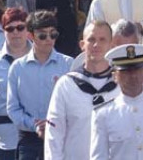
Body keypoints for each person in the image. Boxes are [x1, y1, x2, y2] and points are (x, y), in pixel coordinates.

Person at [44, 21, 119, 159]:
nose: (96, 45)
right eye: (91, 39)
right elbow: (54, 135)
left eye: (102, 40)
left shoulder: (121, 85)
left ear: (111, 44)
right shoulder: (66, 85)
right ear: (82, 45)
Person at [6, 11, 74, 160]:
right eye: (42, 35)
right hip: (29, 139)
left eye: (53, 34)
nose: (49, 39)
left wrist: (55, 125)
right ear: (30, 36)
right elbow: (13, 108)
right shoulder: (17, 68)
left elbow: (76, 103)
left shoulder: (69, 64)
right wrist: (35, 125)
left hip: (62, 137)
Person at [0, 8, 30, 159]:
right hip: (2, 138)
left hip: (36, 136)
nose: (16, 33)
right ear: (3, 31)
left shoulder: (42, 58)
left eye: (20, 27)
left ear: (28, 30)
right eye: (10, 28)